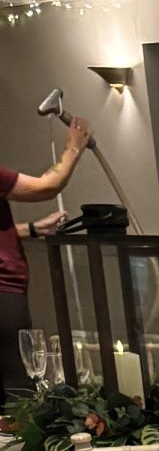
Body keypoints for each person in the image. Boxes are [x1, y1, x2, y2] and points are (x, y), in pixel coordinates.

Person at [1, 113, 90, 401]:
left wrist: (31, 229)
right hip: (3, 294)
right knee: (17, 393)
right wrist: (74, 147)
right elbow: (47, 186)